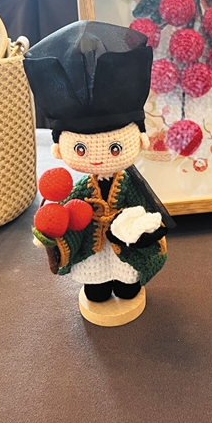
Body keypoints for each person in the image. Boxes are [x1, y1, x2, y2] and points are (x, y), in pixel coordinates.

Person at [23, 21, 174, 304]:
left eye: (115, 148)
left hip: (124, 245)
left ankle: (127, 285)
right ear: (59, 149)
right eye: (80, 149)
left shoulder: (130, 186)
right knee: (95, 288)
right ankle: (98, 287)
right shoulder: (80, 189)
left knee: (128, 282)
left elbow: (145, 212)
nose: (98, 158)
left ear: (140, 140)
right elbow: (65, 213)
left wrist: (137, 225)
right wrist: (51, 230)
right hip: (91, 246)